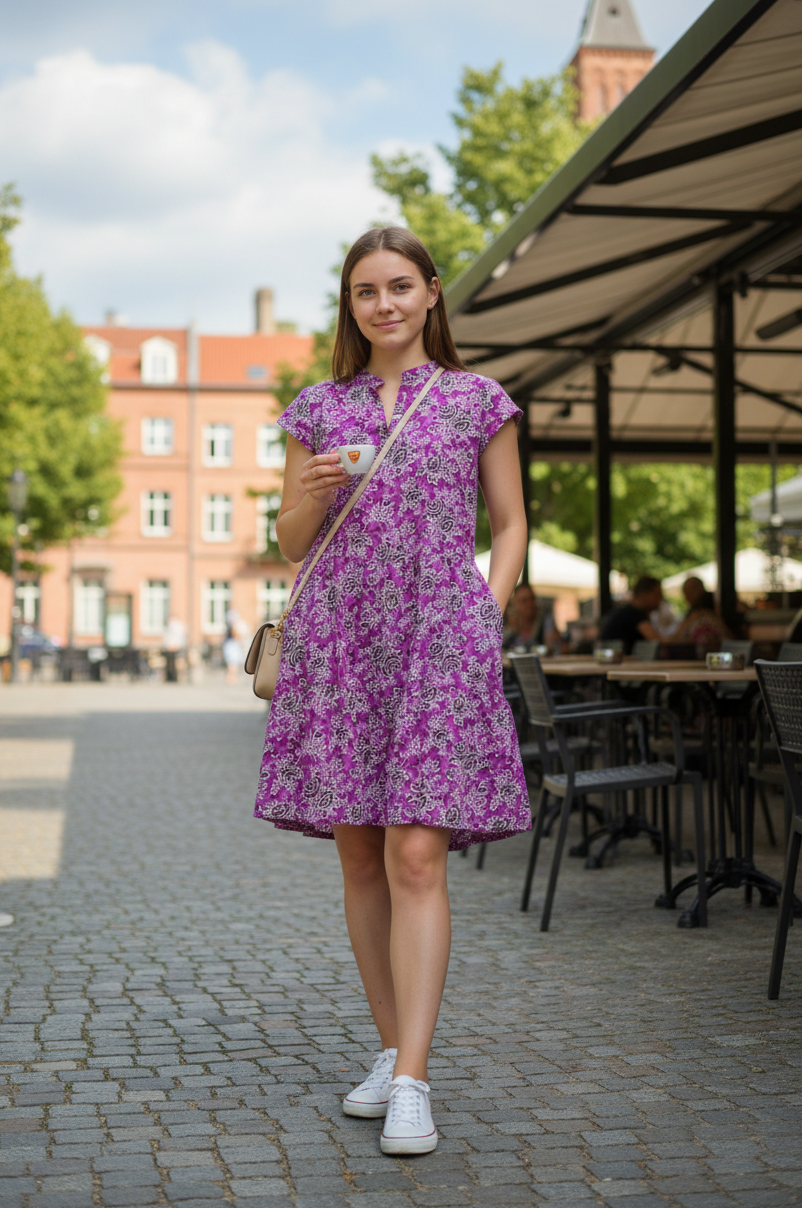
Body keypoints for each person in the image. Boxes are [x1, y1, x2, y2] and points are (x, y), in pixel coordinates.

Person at [254, 227, 530, 1156]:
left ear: (432, 294)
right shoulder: (317, 408)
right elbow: (291, 542)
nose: (384, 304)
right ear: (351, 306)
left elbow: (511, 525)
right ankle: (388, 1047)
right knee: (362, 856)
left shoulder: (475, 401)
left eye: (400, 286)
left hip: (435, 641)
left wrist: (480, 621)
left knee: (419, 854)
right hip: (339, 645)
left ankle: (412, 1079)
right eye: (366, 291)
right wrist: (314, 489)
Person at [600, 576, 663, 653]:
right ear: (644, 594)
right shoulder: (633, 614)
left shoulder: (628, 611)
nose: (661, 599)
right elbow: (656, 640)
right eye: (658, 594)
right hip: (619, 663)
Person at [671, 576, 729, 653]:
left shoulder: (709, 613)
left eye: (688, 593)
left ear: (697, 590)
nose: (686, 598)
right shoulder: (697, 613)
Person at [502, 582, 560, 652]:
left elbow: (553, 648)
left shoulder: (545, 623)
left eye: (532, 599)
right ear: (515, 604)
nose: (530, 604)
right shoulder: (510, 632)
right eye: (524, 601)